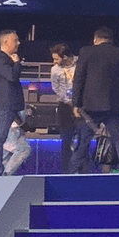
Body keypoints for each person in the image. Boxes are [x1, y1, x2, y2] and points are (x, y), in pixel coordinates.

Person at [73, 27, 119, 174]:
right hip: (116, 105)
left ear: (95, 39)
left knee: (84, 138)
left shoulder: (86, 52)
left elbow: (79, 79)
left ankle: (76, 168)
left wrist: (76, 103)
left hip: (90, 104)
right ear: (111, 40)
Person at [0, 30, 24, 177]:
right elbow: (11, 76)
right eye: (15, 40)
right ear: (5, 42)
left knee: (2, 137)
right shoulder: (1, 59)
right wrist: (17, 64)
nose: (18, 43)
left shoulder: (3, 59)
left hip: (11, 106)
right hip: (6, 105)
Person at [50, 44, 79, 173]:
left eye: (56, 59)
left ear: (65, 57)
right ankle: (67, 171)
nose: (54, 62)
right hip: (64, 108)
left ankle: (82, 170)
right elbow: (55, 87)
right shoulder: (55, 70)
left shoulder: (80, 64)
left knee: (82, 140)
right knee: (66, 140)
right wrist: (65, 99)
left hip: (80, 107)